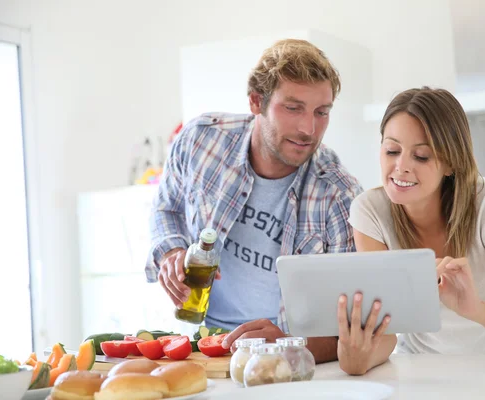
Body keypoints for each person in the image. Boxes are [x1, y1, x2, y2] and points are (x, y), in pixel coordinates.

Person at [145, 39, 363, 363]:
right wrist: (172, 251)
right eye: (293, 108)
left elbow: (351, 334)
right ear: (256, 101)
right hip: (204, 346)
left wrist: (288, 344)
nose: (308, 129)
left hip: (282, 365)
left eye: (322, 112)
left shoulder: (340, 196)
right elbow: (167, 207)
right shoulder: (200, 140)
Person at [336, 87, 485, 375]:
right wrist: (356, 356)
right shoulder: (369, 211)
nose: (400, 167)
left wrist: (477, 310)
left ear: (450, 163)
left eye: (422, 156)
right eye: (391, 150)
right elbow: (386, 332)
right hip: (421, 372)